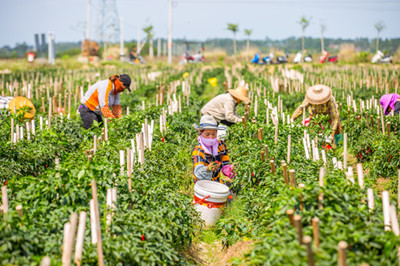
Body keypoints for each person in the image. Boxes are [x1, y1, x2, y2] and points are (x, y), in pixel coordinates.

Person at [192, 115, 235, 183]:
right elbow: (198, 172)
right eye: (207, 134)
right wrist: (207, 169)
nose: (211, 137)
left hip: (216, 182)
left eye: (214, 134)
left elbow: (225, 163)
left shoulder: (220, 144)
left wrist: (230, 170)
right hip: (202, 184)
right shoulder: (198, 150)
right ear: (200, 133)